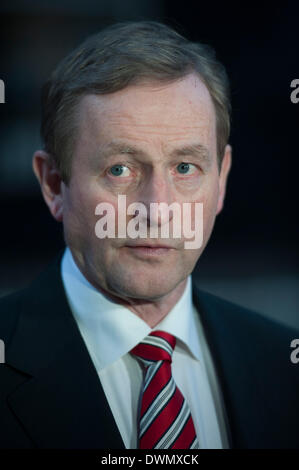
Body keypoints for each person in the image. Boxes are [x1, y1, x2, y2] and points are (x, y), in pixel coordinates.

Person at [0, 20, 298, 450]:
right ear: (52, 184)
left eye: (184, 168)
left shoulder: (282, 365)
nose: (157, 211)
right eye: (119, 170)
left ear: (222, 181)